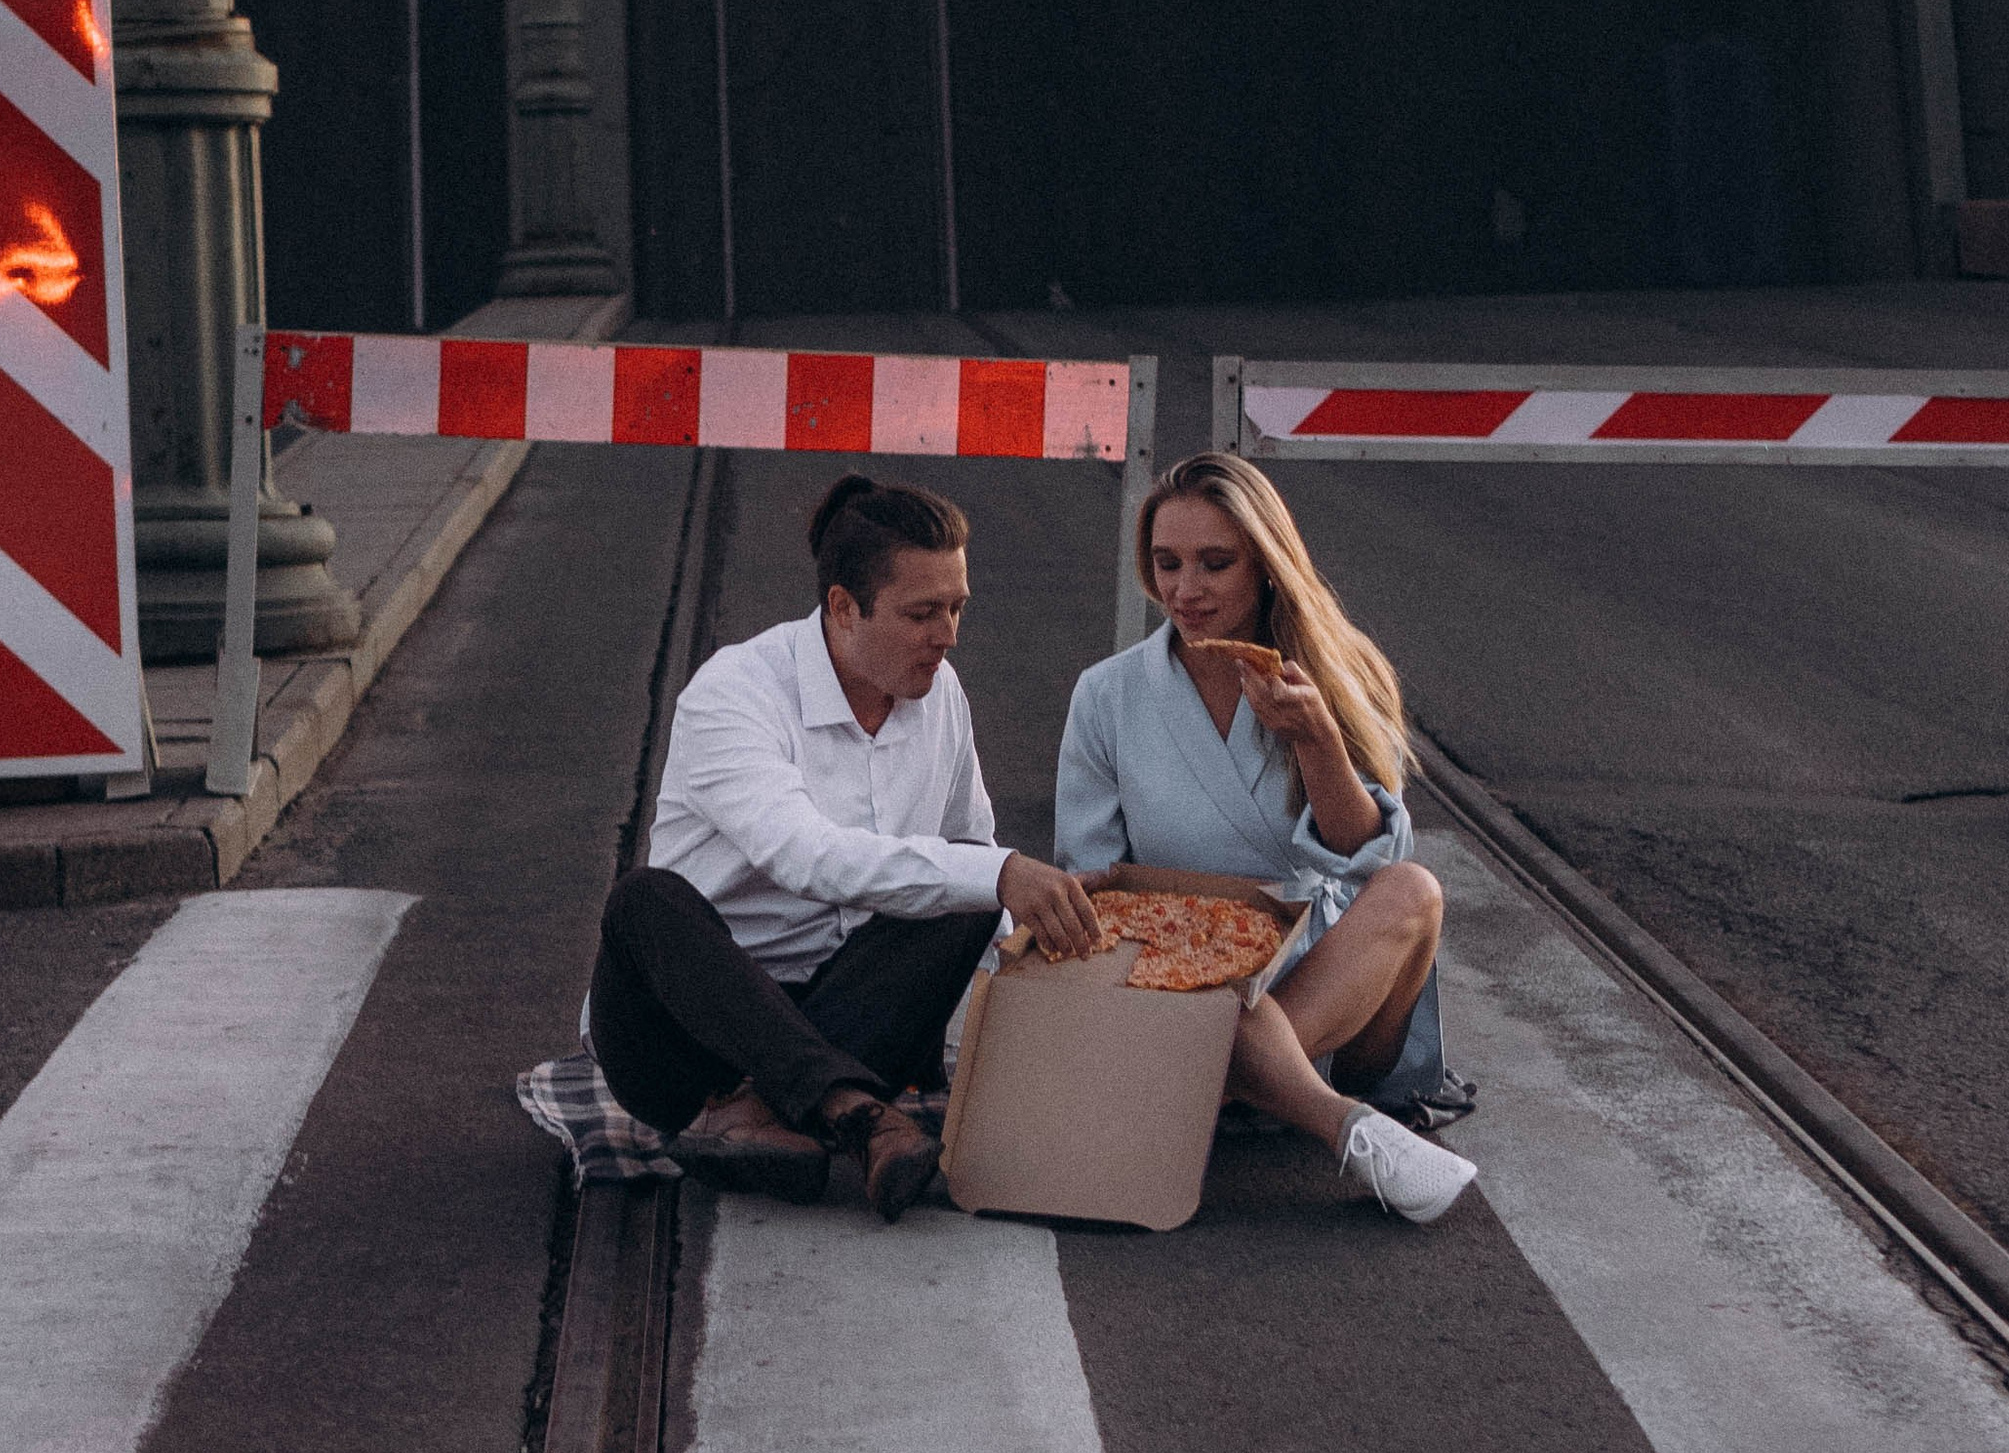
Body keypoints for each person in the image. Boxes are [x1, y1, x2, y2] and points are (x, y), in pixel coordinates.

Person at [592, 474, 1102, 1222]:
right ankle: (851, 1115)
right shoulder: (733, 693)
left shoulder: (942, 692)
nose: (948, 636)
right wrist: (997, 873)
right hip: (692, 1037)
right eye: (922, 613)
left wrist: (1025, 1027)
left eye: (957, 608)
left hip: (849, 1023)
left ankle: (774, 1116)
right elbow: (808, 858)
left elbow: (970, 853)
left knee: (966, 892)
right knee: (643, 900)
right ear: (842, 608)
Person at [1054, 451, 1477, 1226]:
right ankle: (1341, 1126)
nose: (1186, 590)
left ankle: (1217, 1089)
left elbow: (1372, 861)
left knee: (1414, 889)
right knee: (1222, 1004)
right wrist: (1197, 948)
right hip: (1176, 980)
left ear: (1267, 566)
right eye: (1167, 563)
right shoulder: (1108, 693)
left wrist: (1317, 741)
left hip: (1327, 991)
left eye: (1216, 563)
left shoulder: (1336, 675)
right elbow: (1091, 878)